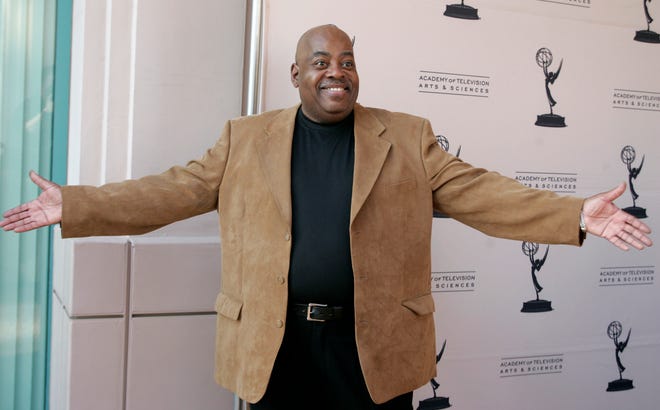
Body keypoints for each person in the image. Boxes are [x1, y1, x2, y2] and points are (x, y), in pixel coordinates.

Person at [0, 24, 653, 410]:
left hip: (371, 351)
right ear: (296, 74)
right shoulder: (244, 139)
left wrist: (575, 215)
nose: (337, 72)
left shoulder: (406, 136)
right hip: (276, 349)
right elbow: (171, 191)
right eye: (322, 62)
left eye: (347, 61)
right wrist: (77, 204)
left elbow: (478, 191)